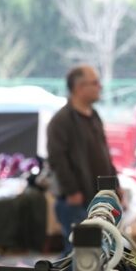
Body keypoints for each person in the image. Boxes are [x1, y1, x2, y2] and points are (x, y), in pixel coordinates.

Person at [45, 64, 117, 252]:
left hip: (97, 199)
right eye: (95, 82)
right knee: (78, 255)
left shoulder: (94, 116)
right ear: (79, 88)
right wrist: (72, 191)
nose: (99, 87)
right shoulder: (61, 121)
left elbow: (104, 154)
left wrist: (115, 186)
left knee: (99, 253)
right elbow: (57, 159)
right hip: (76, 201)